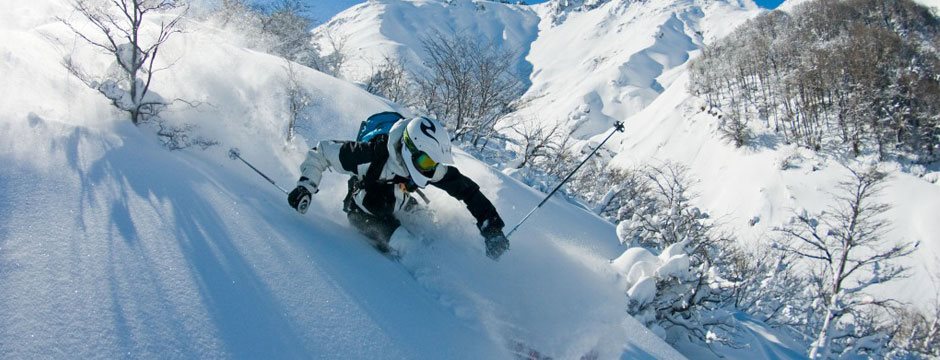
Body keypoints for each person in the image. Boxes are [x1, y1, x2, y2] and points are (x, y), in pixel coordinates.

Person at [287, 115, 510, 260]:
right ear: (409, 148)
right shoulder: (369, 155)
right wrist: (305, 186)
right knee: (410, 246)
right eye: (425, 162)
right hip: (363, 208)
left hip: (399, 198)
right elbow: (322, 152)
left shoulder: (427, 166)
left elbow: (466, 190)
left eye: (434, 164)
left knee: (430, 232)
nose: (429, 170)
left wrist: (491, 227)